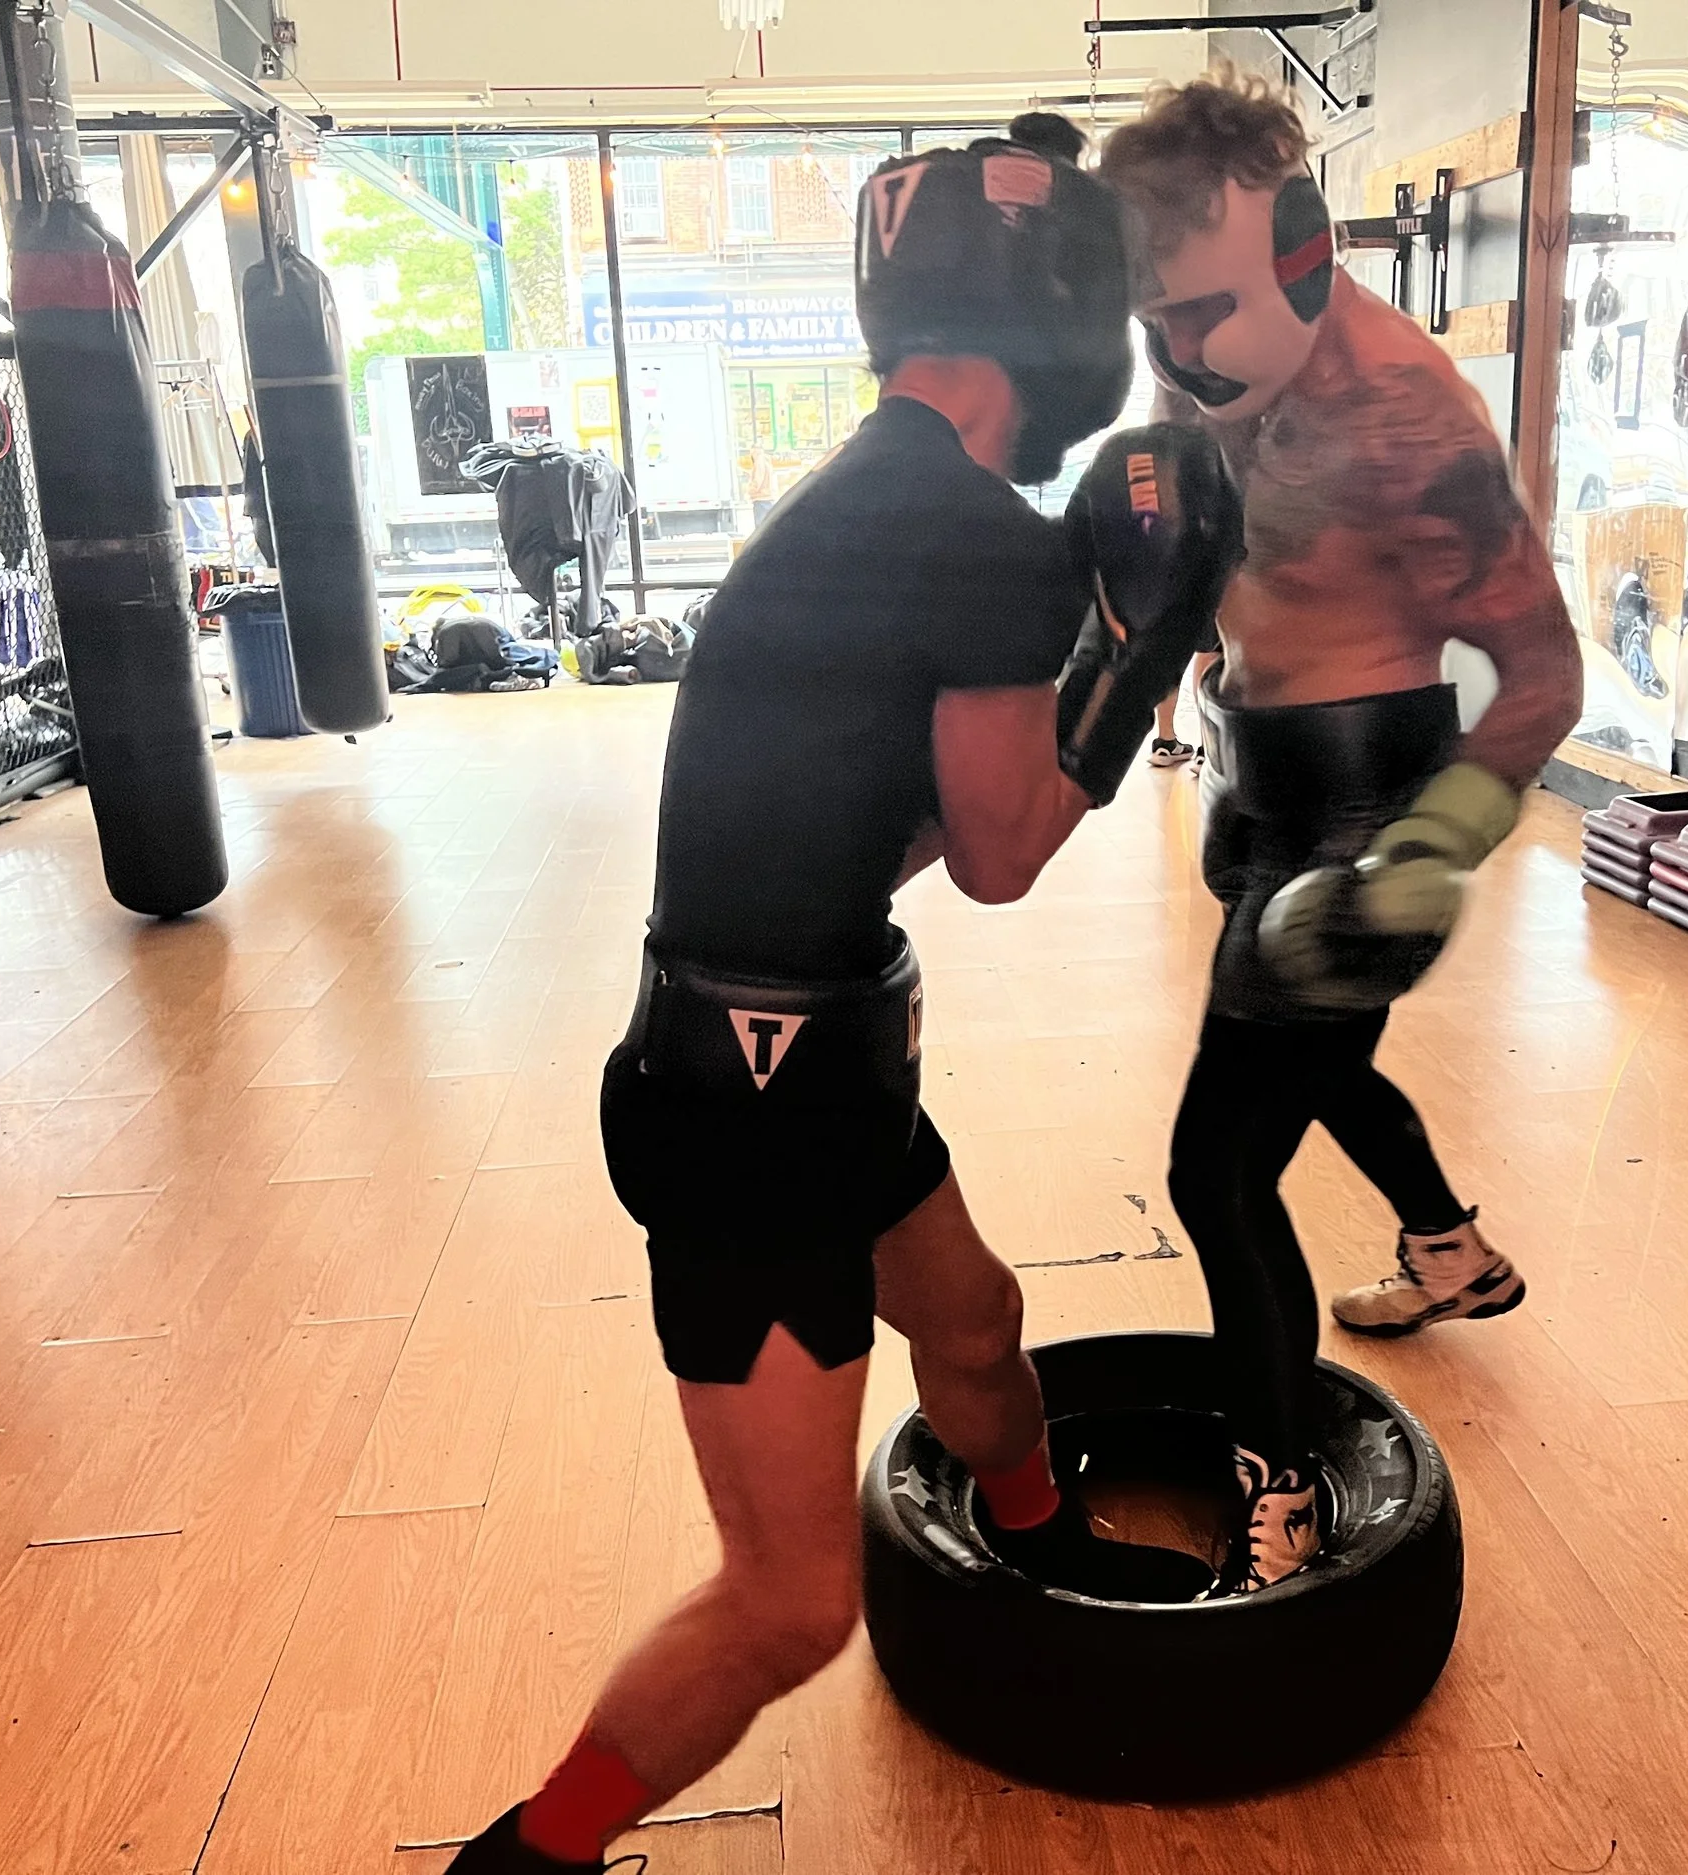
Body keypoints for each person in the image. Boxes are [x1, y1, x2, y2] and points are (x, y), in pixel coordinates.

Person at [446, 115, 1239, 1875]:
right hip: (749, 1111)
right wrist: (1150, 636)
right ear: (1059, 323)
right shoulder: (974, 539)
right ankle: (525, 1859)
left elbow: (875, 833)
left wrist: (1095, 642)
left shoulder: (860, 493)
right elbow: (1008, 850)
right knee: (795, 1600)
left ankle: (1034, 1558)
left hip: (805, 1058)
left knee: (973, 1327)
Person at [1099, 76, 1583, 1591]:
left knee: (1216, 1172)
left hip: (1375, 799)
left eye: (1196, 316)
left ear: (1294, 254)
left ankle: (1283, 1500)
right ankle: (1450, 1248)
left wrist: (1423, 854)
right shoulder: (1194, 365)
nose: (1175, 357)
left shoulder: (1407, 411)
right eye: (1151, 322)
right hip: (1258, 782)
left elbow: (1548, 674)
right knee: (1322, 1064)